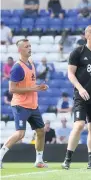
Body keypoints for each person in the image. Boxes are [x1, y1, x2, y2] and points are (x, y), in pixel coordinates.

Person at [62, 25, 91, 169]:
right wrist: (80, 88)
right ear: (87, 35)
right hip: (81, 95)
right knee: (79, 125)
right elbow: (70, 74)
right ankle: (67, 159)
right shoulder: (77, 52)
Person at [0, 39, 49, 169]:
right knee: (20, 134)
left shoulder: (31, 63)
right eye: (26, 46)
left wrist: (39, 87)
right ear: (20, 50)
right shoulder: (17, 67)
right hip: (20, 105)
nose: (29, 48)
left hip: (33, 105)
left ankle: (39, 160)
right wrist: (35, 89)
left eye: (30, 46)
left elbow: (30, 83)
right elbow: (12, 89)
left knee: (40, 131)